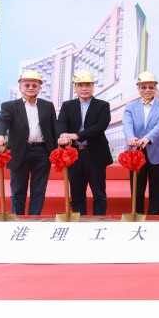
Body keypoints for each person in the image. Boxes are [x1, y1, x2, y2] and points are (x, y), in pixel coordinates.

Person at [0, 70, 57, 215]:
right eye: (26, 84)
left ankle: (34, 219)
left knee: (39, 191)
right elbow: (3, 121)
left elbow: (54, 128)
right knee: (17, 191)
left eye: (34, 85)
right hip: (19, 152)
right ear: (20, 87)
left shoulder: (48, 106)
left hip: (42, 153)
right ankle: (18, 220)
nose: (30, 87)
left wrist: (57, 150)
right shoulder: (10, 106)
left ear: (39, 87)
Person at [56, 69, 113, 216]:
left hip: (95, 154)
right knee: (76, 194)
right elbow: (61, 122)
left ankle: (98, 223)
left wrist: (76, 135)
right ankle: (79, 224)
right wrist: (62, 135)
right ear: (75, 88)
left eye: (88, 85)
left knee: (99, 194)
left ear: (93, 87)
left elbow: (100, 127)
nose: (84, 88)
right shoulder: (68, 105)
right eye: (80, 85)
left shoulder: (103, 105)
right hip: (73, 155)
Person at [122, 71, 159, 215]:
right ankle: (136, 215)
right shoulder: (130, 106)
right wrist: (130, 138)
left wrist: (147, 138)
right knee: (137, 187)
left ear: (155, 88)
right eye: (144, 87)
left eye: (151, 87)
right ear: (138, 89)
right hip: (135, 152)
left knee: (156, 188)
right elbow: (127, 124)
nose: (147, 90)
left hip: (156, 151)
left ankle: (154, 217)